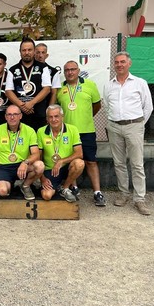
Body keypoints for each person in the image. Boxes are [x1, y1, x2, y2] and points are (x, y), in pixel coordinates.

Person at [103, 51, 153, 215]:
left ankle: (139, 199)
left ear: (129, 63)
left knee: (137, 164)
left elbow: (148, 107)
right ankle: (124, 194)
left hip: (134, 126)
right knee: (119, 163)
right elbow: (107, 106)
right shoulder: (109, 85)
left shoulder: (139, 83)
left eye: (122, 62)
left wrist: (138, 125)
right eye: (116, 62)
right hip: (114, 127)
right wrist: (114, 121)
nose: (119, 65)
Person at [57, 60, 106, 206]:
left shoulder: (90, 85)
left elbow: (96, 106)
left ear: (78, 71)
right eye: (67, 70)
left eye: (73, 69)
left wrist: (85, 118)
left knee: (91, 161)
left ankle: (97, 192)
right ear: (64, 73)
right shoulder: (60, 89)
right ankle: (74, 187)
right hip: (67, 133)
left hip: (87, 131)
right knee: (72, 161)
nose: (70, 72)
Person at [0, 105, 44, 201]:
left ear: (20, 116)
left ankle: (25, 185)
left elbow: (36, 154)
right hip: (3, 167)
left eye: (15, 114)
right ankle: (11, 183)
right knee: (2, 191)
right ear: (5, 117)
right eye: (9, 114)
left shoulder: (29, 130)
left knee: (39, 165)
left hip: (22, 165)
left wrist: (25, 162)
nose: (12, 117)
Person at [37, 105, 85, 203]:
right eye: (50, 117)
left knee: (79, 163)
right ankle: (56, 186)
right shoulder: (41, 131)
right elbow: (38, 158)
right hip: (50, 169)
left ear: (62, 117)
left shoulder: (73, 129)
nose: (54, 119)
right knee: (47, 196)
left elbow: (79, 153)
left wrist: (61, 161)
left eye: (56, 116)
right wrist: (42, 178)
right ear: (47, 118)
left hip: (67, 167)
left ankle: (65, 187)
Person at [5, 38, 52, 130]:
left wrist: (31, 103)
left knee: (38, 143)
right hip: (19, 115)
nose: (27, 52)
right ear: (20, 52)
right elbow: (8, 91)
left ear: (34, 51)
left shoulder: (43, 68)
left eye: (29, 50)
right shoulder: (12, 70)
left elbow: (47, 89)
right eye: (24, 50)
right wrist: (22, 105)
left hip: (38, 113)